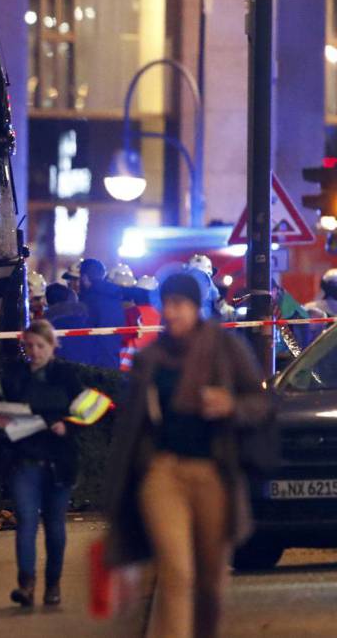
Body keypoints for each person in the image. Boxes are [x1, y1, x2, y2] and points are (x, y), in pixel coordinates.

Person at [104, 273, 270, 638]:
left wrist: (231, 405)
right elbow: (131, 428)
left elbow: (260, 403)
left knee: (210, 581)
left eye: (181, 304)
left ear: (197, 307)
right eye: (169, 304)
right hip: (163, 473)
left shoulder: (227, 349)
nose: (173, 312)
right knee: (177, 573)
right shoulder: (151, 357)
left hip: (213, 472)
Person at [0, 320, 86, 607]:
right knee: (26, 523)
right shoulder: (12, 377)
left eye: (40, 346)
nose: (34, 351)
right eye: (29, 346)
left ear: (53, 345)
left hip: (58, 460)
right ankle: (27, 584)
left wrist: (67, 427)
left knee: (55, 525)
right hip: (25, 460)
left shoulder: (67, 376)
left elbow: (85, 413)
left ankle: (53, 584)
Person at [78, 258, 127, 370]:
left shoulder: (88, 300)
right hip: (113, 361)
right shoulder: (115, 297)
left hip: (93, 364)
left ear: (84, 278)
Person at [44, 283, 93, 365]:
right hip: (85, 365)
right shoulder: (84, 316)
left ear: (48, 300)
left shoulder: (47, 322)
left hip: (59, 367)